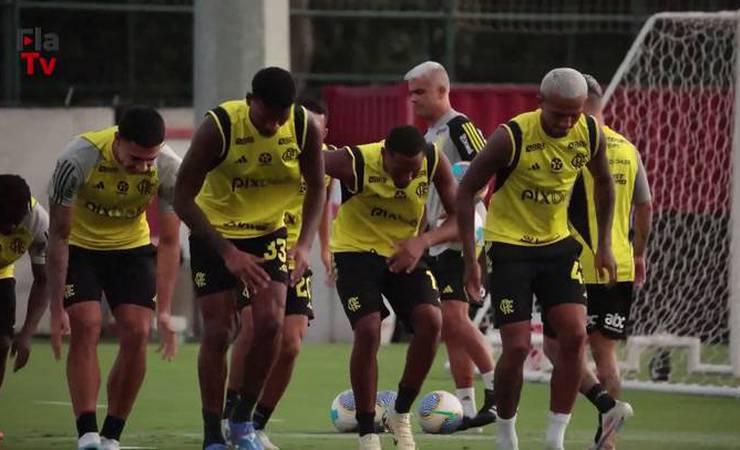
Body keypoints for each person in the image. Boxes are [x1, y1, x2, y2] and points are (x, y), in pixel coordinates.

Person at [457, 67, 617, 450]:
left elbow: (604, 184)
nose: (565, 123)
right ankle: (506, 433)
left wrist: (605, 244)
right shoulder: (510, 137)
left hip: (557, 245)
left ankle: (554, 439)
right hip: (510, 247)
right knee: (515, 346)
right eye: (557, 114)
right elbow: (465, 192)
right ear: (539, 102)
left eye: (574, 114)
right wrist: (470, 259)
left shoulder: (589, 133)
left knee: (575, 337)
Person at [173, 67, 325, 450]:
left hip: (268, 233)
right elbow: (182, 199)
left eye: (282, 115)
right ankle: (212, 434)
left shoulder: (304, 127)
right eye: (266, 115)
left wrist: (304, 244)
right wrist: (228, 253)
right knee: (219, 331)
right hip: (215, 233)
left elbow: (318, 189)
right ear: (249, 101)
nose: (274, 124)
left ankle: (242, 421)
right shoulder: (219, 127)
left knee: (271, 324)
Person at [46, 106, 182, 450]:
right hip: (80, 247)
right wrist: (55, 305)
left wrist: (164, 310)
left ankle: (111, 435)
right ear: (118, 140)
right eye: (135, 158)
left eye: (148, 161)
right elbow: (58, 236)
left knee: (138, 332)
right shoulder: (76, 159)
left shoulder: (168, 168)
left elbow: (169, 241)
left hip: (130, 248)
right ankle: (88, 433)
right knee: (86, 323)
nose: (141, 168)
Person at [326, 125, 458, 450]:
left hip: (405, 250)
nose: (408, 178)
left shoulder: (432, 160)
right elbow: (305, 166)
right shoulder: (352, 161)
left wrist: (423, 240)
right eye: (400, 170)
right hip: (355, 253)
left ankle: (400, 413)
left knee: (432, 322)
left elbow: (460, 216)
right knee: (370, 328)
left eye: (414, 172)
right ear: (384, 154)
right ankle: (367, 432)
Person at [222, 98, 334, 450]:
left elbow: (320, 204)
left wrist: (324, 248)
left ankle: (256, 422)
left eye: (316, 128)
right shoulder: (270, 150)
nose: (308, 133)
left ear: (324, 132)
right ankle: (230, 413)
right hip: (259, 248)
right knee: (254, 326)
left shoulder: (326, 161)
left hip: (294, 257)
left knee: (291, 343)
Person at [543, 73, 646, 450]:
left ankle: (590, 410)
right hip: (618, 265)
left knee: (558, 349)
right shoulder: (627, 148)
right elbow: (645, 206)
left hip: (575, 265)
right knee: (606, 353)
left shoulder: (573, 147)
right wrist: (638, 253)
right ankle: (608, 439)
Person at [405, 60, 497, 430]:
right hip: (441, 240)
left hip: (463, 236)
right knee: (450, 325)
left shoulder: (460, 127)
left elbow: (485, 171)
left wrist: (462, 202)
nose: (413, 100)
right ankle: (466, 408)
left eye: (419, 92)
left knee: (455, 320)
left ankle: (497, 391)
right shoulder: (429, 136)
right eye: (410, 93)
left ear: (443, 91)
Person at [0, 175, 49, 405]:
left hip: (1, 271)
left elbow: (44, 281)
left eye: (14, 222)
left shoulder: (38, 221)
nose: (10, 228)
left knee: (2, 343)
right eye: (3, 222)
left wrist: (28, 333)